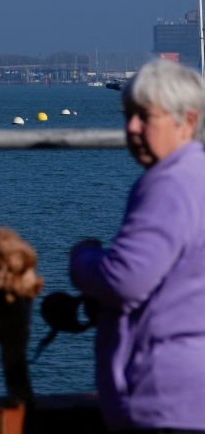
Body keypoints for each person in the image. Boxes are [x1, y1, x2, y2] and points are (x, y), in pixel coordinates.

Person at [70, 59, 205, 432]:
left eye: (145, 117)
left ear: (188, 122)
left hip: (169, 402)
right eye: (128, 116)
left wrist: (83, 258)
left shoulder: (172, 185)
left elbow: (123, 279)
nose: (131, 128)